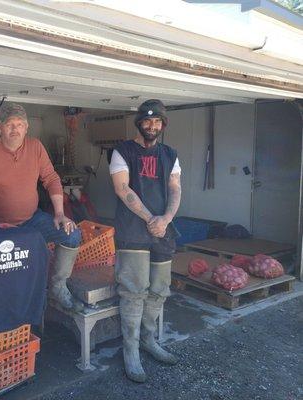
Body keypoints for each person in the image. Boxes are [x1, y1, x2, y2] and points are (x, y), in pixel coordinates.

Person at [0, 103, 83, 311]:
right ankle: (13, 308)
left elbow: (51, 179)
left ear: (27, 127)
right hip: (1, 227)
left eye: (20, 124)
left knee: (71, 235)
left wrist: (60, 214)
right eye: (9, 124)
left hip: (33, 219)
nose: (15, 129)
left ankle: (57, 287)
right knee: (12, 271)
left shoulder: (35, 147)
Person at [109, 99, 181, 382]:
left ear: (163, 125)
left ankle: (148, 341)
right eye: (148, 121)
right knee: (133, 290)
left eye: (158, 122)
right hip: (133, 231)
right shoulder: (122, 151)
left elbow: (175, 189)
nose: (152, 126)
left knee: (159, 289)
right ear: (139, 122)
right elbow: (122, 188)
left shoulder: (170, 154)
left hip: (163, 230)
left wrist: (165, 219)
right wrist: (152, 218)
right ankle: (131, 351)